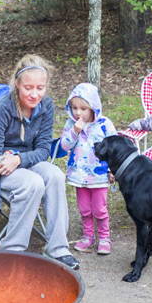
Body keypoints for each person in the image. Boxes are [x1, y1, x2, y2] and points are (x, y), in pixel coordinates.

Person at [0, 54, 80, 270]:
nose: (34, 94)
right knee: (33, 182)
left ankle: (58, 248)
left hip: (24, 160)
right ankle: (12, 251)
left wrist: (19, 159)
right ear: (17, 84)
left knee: (55, 175)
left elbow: (42, 150)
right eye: (28, 88)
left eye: (40, 88)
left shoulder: (46, 106)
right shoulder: (1, 110)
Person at [60, 83, 117, 255]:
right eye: (74, 108)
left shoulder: (105, 125)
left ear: (93, 107)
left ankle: (105, 237)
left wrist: (113, 169)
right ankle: (88, 236)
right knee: (84, 208)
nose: (78, 113)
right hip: (79, 175)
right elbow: (64, 146)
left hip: (99, 176)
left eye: (83, 108)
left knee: (99, 208)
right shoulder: (71, 124)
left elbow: (115, 149)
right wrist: (74, 132)